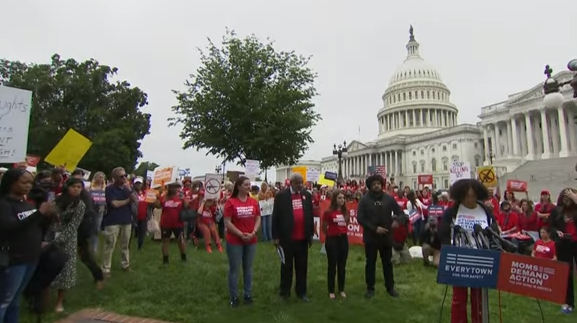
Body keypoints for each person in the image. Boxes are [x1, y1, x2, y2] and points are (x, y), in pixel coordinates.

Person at [438, 178, 496, 323]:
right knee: (459, 297)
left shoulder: (485, 211)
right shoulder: (452, 211)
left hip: (481, 259)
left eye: (473, 196)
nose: (470, 199)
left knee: (479, 298)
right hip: (459, 259)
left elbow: (494, 232)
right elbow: (443, 233)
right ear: (460, 196)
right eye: (466, 196)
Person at [0, 169, 52, 323]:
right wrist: (38, 214)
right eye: (24, 182)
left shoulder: (26, 203)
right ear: (11, 183)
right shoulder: (4, 204)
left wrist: (47, 216)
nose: (28, 186)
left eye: (30, 182)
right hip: (13, 259)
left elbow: (34, 226)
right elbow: (9, 228)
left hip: (30, 258)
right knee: (4, 300)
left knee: (15, 300)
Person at [356, 174, 402, 298]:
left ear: (381, 185)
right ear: (370, 186)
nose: (376, 185)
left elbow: (401, 213)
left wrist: (397, 221)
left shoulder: (389, 199)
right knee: (370, 263)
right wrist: (374, 228)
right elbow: (360, 218)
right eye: (374, 184)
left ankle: (390, 287)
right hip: (371, 236)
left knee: (387, 263)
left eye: (378, 183)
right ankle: (370, 288)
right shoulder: (364, 200)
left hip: (386, 236)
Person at [272, 173, 314, 302]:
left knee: (302, 266)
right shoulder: (281, 196)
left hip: (302, 238)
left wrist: (310, 234)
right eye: (297, 183)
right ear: (291, 182)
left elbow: (309, 215)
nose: (300, 185)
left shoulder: (306, 195)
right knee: (286, 266)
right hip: (287, 238)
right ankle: (284, 292)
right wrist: (276, 236)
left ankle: (301, 292)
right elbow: (275, 217)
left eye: (302, 182)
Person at [48, 177, 86, 312]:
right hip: (51, 234)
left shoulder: (80, 205)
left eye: (79, 187)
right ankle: (43, 297)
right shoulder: (57, 200)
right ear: (67, 187)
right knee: (47, 267)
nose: (76, 189)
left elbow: (73, 225)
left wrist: (58, 240)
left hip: (68, 239)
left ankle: (59, 301)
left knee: (66, 269)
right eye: (73, 186)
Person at [223, 176, 261, 307]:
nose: (249, 186)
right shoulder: (231, 202)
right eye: (246, 184)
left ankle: (248, 294)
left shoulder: (253, 202)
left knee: (248, 268)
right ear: (238, 187)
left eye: (249, 184)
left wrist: (253, 233)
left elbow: (258, 218)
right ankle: (234, 296)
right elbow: (227, 222)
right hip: (235, 241)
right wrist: (240, 234)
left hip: (251, 239)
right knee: (234, 268)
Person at [102, 167, 135, 277]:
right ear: (115, 178)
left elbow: (136, 200)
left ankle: (125, 265)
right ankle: (106, 269)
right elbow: (115, 204)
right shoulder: (109, 189)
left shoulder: (127, 189)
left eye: (125, 175)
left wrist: (130, 191)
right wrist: (128, 200)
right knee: (110, 244)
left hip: (126, 219)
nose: (124, 178)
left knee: (125, 244)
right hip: (113, 220)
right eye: (121, 176)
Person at [550, 188, 577, 314]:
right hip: (564, 245)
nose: (567, 201)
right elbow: (551, 226)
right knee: (567, 274)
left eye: (569, 198)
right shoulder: (557, 210)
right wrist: (557, 232)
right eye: (565, 198)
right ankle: (569, 303)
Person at [322, 191, 350, 299]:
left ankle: (341, 289)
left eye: (343, 198)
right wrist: (331, 234)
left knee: (342, 266)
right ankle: (331, 290)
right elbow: (324, 227)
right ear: (335, 199)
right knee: (332, 265)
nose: (342, 200)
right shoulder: (328, 212)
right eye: (339, 198)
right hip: (332, 240)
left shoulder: (346, 212)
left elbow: (346, 224)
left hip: (343, 239)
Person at [154, 182, 188, 264]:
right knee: (165, 241)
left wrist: (183, 199)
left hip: (178, 223)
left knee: (181, 240)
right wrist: (157, 197)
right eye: (173, 186)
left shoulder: (180, 196)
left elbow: (187, 206)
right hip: (166, 223)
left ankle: (183, 258)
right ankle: (165, 260)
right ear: (169, 187)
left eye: (176, 187)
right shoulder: (164, 197)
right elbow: (158, 206)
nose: (174, 188)